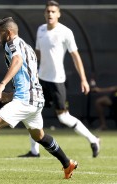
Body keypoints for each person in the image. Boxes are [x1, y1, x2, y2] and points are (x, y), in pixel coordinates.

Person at [0, 17, 77, 180]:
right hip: (36, 99)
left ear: (8, 33)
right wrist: (11, 95)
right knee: (39, 136)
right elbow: (28, 74)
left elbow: (17, 61)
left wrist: (3, 84)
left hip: (25, 99)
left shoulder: (12, 44)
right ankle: (68, 164)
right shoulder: (27, 46)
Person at [18, 0, 100, 158]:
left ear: (58, 14)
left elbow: (75, 56)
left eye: (53, 11)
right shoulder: (41, 30)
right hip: (41, 79)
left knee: (63, 117)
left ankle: (93, 139)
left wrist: (83, 79)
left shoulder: (66, 32)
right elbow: (37, 54)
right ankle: (34, 151)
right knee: (33, 111)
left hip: (57, 81)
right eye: (48, 11)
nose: (50, 14)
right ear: (44, 13)